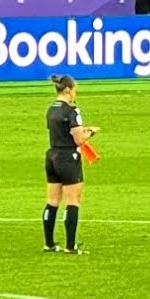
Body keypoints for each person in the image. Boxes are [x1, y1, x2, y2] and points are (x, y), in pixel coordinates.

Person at [43, 74, 99, 254]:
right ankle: (70, 246)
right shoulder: (71, 111)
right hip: (68, 157)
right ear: (68, 89)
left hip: (52, 156)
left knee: (52, 201)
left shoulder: (51, 109)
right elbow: (78, 139)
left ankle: (49, 243)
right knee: (73, 200)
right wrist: (90, 131)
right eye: (74, 90)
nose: (75, 93)